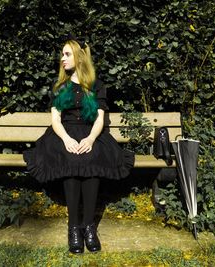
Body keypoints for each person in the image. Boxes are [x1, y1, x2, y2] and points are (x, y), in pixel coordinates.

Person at [23, 35, 134, 254]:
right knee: (70, 158)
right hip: (63, 133)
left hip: (90, 132)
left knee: (92, 157)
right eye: (62, 54)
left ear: (79, 57)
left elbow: (100, 119)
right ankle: (74, 227)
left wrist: (91, 139)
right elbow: (55, 120)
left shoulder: (96, 86)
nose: (62, 59)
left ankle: (88, 226)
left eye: (67, 54)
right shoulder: (60, 86)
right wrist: (66, 139)